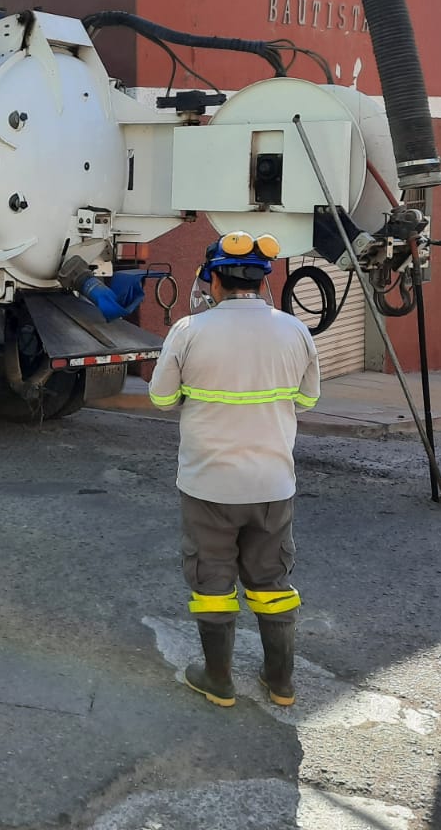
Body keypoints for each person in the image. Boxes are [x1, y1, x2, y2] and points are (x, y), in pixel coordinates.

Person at [148, 232, 321, 707]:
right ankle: (281, 682)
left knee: (212, 581)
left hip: (208, 483)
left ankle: (218, 679)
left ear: (213, 280)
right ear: (265, 281)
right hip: (272, 482)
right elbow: (307, 400)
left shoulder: (188, 331)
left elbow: (161, 399)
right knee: (271, 579)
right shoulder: (295, 331)